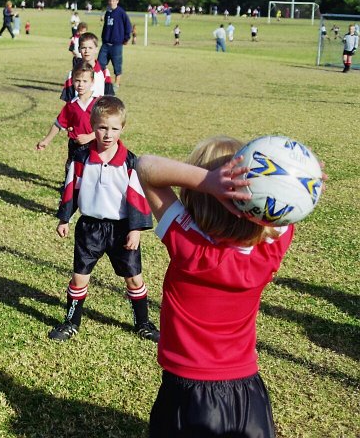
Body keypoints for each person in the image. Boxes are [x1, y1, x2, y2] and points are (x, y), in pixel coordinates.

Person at [136, 136, 312, 437]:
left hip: (189, 394)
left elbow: (144, 166)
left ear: (198, 196)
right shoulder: (268, 253)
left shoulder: (188, 246)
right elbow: (287, 208)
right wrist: (303, 183)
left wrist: (207, 182)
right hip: (249, 395)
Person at [49, 97, 159, 342]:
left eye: (114, 128)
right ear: (92, 126)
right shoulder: (81, 157)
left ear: (122, 128)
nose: (108, 134)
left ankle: (143, 323)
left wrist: (136, 230)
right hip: (90, 227)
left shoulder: (130, 162)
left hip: (121, 229)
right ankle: (71, 322)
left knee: (134, 278)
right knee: (79, 276)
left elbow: (137, 197)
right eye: (102, 127)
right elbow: (71, 188)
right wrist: (65, 218)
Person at [36, 63, 100, 174]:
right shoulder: (71, 105)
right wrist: (46, 141)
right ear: (72, 81)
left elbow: (107, 127)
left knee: (92, 173)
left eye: (85, 81)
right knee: (72, 170)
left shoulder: (99, 103)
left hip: (95, 145)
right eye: (77, 80)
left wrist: (90, 136)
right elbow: (58, 124)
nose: (81, 84)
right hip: (75, 145)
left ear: (92, 82)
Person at [61, 32, 114, 101]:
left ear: (96, 49)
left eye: (90, 48)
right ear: (79, 49)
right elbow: (68, 100)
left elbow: (109, 97)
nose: (87, 51)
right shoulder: (73, 73)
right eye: (83, 48)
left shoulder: (104, 71)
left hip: (98, 107)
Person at [98, 0, 132, 87]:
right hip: (106, 43)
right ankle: (100, 81)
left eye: (113, 1)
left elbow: (128, 26)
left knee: (117, 63)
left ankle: (117, 83)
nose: (111, 2)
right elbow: (105, 26)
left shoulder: (121, 12)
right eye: (110, 1)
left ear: (117, 1)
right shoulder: (108, 12)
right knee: (100, 63)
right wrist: (103, 37)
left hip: (116, 44)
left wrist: (126, 38)